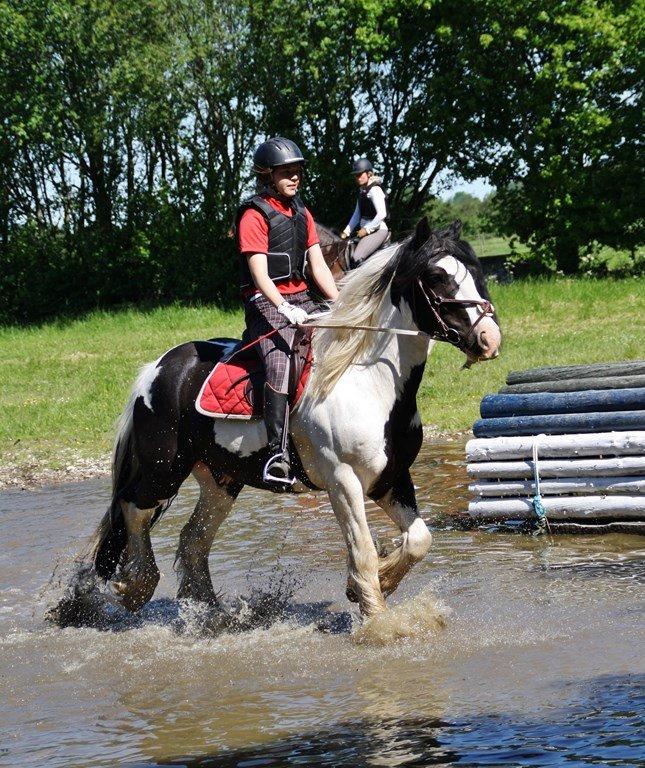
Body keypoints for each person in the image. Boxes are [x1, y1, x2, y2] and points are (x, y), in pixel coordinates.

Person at [235, 137, 339, 487]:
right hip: (266, 302)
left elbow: (319, 266)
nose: (295, 178)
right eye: (287, 172)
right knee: (281, 362)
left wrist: (339, 304)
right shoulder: (253, 214)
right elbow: (259, 274)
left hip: (302, 297)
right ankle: (276, 456)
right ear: (267, 175)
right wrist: (283, 307)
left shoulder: (302, 213)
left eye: (297, 172)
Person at [340, 158, 390, 266]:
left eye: (359, 174)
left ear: (369, 174)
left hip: (378, 231)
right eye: (355, 175)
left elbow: (382, 214)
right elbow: (357, 214)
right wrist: (347, 231)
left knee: (357, 257)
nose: (357, 178)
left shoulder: (375, 190)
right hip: (365, 231)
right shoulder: (362, 191)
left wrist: (367, 230)